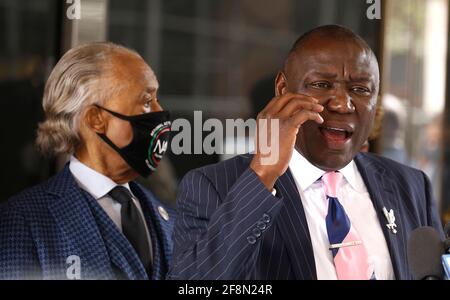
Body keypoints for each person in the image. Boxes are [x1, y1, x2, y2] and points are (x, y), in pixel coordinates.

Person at [169, 25, 444, 280]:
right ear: (282, 89)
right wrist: (264, 174)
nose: (342, 104)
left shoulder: (410, 185)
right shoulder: (214, 187)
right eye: (322, 85)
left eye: (360, 89)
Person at [0, 42, 175, 280]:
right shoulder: (22, 223)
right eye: (146, 101)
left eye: (156, 99)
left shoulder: (169, 216)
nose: (160, 113)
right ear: (96, 119)